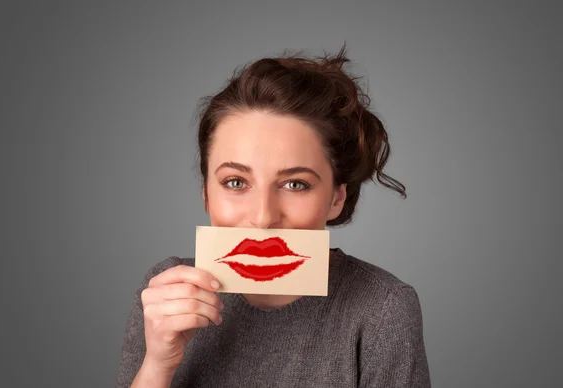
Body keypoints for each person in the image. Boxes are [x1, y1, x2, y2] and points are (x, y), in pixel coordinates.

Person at [115, 46, 431, 388]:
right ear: (206, 192)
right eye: (235, 182)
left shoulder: (382, 309)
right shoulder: (166, 290)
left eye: (296, 184)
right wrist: (157, 365)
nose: (263, 216)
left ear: (336, 198)